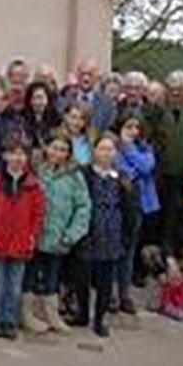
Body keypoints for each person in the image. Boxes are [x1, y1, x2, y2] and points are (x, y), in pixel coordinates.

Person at [0, 134, 45, 339]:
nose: (18, 158)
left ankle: (9, 321)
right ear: (5, 156)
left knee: (15, 287)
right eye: (13, 153)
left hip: (21, 242)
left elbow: (38, 214)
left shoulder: (33, 185)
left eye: (22, 154)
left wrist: (32, 235)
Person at [22, 134, 91, 335]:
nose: (57, 153)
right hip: (35, 235)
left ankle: (52, 314)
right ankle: (26, 313)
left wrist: (72, 234)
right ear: (46, 148)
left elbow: (83, 207)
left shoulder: (75, 176)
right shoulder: (36, 172)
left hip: (59, 237)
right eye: (54, 148)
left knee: (53, 277)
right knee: (30, 275)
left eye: (63, 150)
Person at [75, 134, 138, 338]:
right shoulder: (84, 173)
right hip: (89, 229)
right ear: (94, 151)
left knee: (105, 280)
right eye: (102, 148)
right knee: (82, 276)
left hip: (112, 232)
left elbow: (130, 209)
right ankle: (82, 313)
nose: (106, 153)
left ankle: (99, 319)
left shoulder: (122, 179)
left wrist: (128, 235)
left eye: (110, 149)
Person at [114, 116, 158, 311]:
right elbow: (121, 170)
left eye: (136, 127)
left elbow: (146, 167)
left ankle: (125, 293)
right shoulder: (113, 147)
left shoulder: (146, 148)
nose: (133, 131)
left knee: (129, 250)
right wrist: (132, 164)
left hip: (139, 204)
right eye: (128, 126)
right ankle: (112, 293)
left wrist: (129, 149)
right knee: (115, 248)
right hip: (119, 203)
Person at [156, 70, 183, 226]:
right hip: (159, 172)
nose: (175, 92)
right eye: (171, 88)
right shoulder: (157, 110)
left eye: (179, 89)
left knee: (178, 212)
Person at [22, 81, 61, 156]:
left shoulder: (57, 119)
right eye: (33, 98)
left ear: (47, 98)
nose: (37, 102)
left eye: (40, 97)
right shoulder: (22, 118)